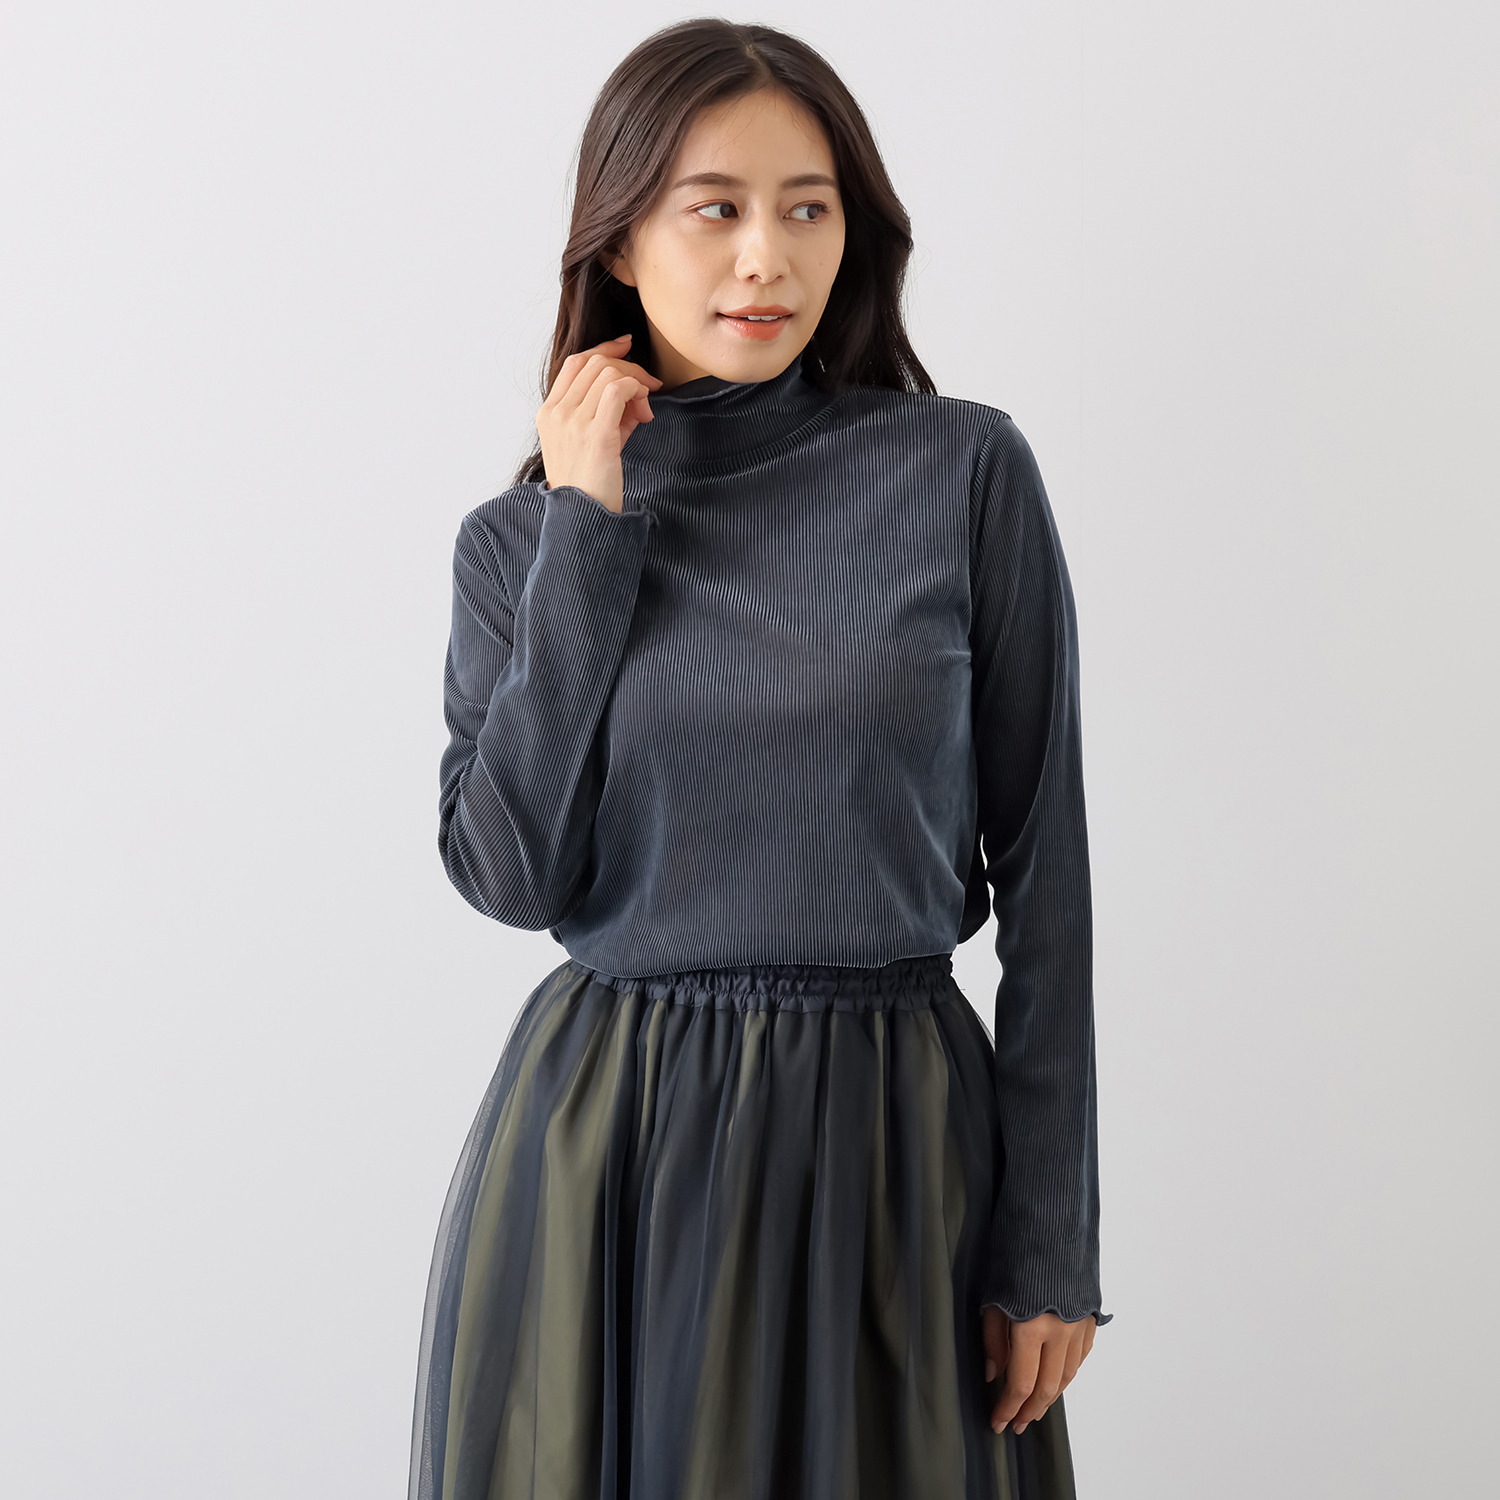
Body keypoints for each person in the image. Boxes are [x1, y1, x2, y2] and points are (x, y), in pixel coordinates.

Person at [410, 18, 1111, 1500]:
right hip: (619, 1150)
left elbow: (1049, 881)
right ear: (619, 238)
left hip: (899, 1144)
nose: (765, 260)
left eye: (808, 209)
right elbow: (514, 875)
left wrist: (1052, 1237)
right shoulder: (519, 544)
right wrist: (587, 528)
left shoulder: (960, 472)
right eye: (714, 208)